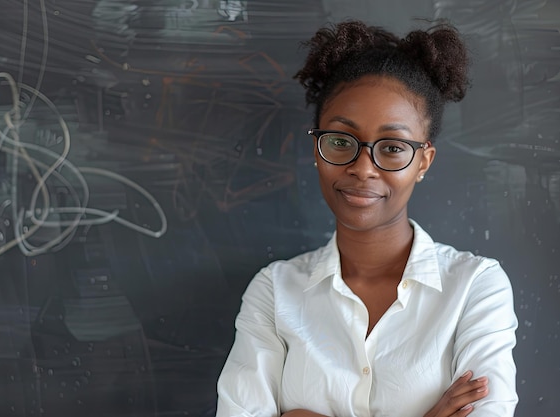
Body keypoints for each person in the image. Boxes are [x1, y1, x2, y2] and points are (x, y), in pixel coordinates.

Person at [216, 19, 518, 417]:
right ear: (317, 147)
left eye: (392, 147)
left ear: (423, 161)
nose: (363, 168)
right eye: (341, 141)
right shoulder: (274, 292)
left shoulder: (475, 288)